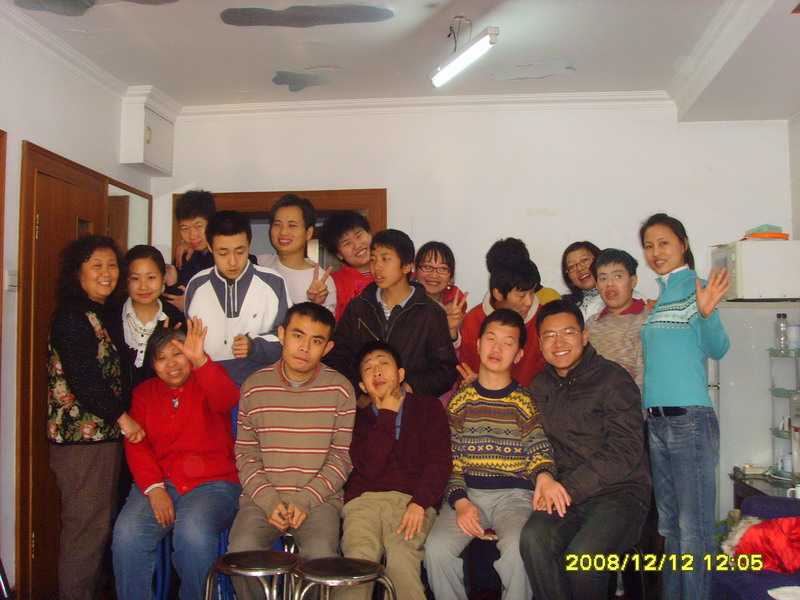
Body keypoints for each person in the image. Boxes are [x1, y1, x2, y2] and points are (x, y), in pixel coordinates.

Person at [520, 299, 651, 600]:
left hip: (619, 493)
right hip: (564, 493)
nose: (559, 343)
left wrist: (569, 488)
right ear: (539, 344)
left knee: (583, 559)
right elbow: (533, 440)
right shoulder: (539, 385)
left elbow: (625, 449)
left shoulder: (613, 379)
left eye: (568, 332)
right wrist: (542, 475)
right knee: (533, 538)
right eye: (550, 335)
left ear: (584, 336)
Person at [424, 309, 556, 600]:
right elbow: (450, 459)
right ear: (478, 344)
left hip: (514, 497)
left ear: (519, 354)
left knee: (518, 551)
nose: (497, 348)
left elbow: (538, 447)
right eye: (491, 339)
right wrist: (460, 502)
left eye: (508, 343)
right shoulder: (460, 401)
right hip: (468, 494)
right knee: (436, 550)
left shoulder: (524, 401)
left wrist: (545, 476)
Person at [228, 302, 356, 600]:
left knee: (321, 556)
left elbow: (341, 459)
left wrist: (305, 499)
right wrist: (269, 500)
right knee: (241, 552)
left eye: (316, 341)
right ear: (282, 334)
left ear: (328, 348)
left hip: (319, 500)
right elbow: (246, 455)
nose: (304, 348)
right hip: (262, 499)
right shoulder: (255, 387)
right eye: (298, 336)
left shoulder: (340, 390)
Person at [112, 318, 240, 600]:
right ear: (152, 364)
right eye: (161, 358)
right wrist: (154, 488)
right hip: (161, 483)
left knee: (193, 533)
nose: (171, 364)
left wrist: (201, 361)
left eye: (178, 354)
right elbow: (136, 443)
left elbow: (228, 399)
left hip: (214, 484)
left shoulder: (207, 378)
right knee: (127, 534)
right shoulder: (144, 394)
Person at [47, 235, 145, 600]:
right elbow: (85, 379)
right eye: (97, 266)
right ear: (78, 272)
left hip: (102, 440)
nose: (107, 273)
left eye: (112, 265)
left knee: (97, 528)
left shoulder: (101, 312)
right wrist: (124, 418)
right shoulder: (72, 317)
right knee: (84, 531)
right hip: (81, 444)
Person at [639, 213, 730, 600]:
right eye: (648, 246)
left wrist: (706, 314)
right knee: (671, 529)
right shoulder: (663, 295)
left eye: (663, 243)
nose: (655, 252)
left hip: (689, 421)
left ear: (683, 244)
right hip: (657, 422)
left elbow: (718, 348)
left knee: (694, 533)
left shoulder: (697, 288)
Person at [341, 341, 451, 600]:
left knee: (402, 559)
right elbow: (369, 467)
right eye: (368, 368)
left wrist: (420, 503)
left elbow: (440, 462)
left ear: (401, 374)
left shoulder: (428, 407)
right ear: (362, 386)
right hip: (364, 502)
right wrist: (387, 416)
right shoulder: (358, 418)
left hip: (412, 502)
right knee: (358, 560)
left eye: (383, 364)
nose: (377, 371)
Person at [326, 229, 458, 400]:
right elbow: (338, 357)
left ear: (407, 266)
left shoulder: (430, 312)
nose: (377, 267)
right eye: (373, 259)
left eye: (385, 259)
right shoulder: (358, 307)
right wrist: (360, 392)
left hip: (411, 407)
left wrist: (408, 388)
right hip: (365, 406)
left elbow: (445, 370)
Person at [184, 210, 290, 386]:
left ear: (249, 244)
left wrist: (254, 346)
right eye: (223, 253)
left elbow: (287, 341)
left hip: (262, 386)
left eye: (240, 251)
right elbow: (191, 345)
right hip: (209, 385)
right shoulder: (196, 285)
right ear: (210, 247)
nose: (232, 262)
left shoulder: (274, 282)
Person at [458, 238, 559, 388]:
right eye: (521, 295)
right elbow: (466, 372)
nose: (529, 302)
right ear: (498, 294)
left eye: (532, 293)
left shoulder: (545, 319)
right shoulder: (472, 321)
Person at [108, 245, 185, 389]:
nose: (143, 286)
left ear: (163, 278)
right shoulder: (110, 316)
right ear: (126, 281)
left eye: (151, 277)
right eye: (135, 278)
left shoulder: (177, 320)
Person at [258, 193, 337, 313]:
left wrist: (316, 305)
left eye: (292, 225)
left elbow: (326, 323)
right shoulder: (259, 263)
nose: (283, 232)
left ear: (308, 233)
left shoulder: (322, 281)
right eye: (277, 224)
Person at [585, 248, 648, 389]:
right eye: (603, 278)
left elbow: (646, 377)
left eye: (618, 276)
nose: (609, 284)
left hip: (631, 400)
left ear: (633, 281)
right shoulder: (591, 324)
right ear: (597, 285)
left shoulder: (648, 320)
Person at [164, 189, 217, 311]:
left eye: (198, 226)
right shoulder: (184, 256)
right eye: (185, 228)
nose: (192, 235)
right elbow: (173, 300)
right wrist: (172, 283)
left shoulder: (227, 257)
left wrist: (192, 305)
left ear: (212, 223)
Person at [319, 211, 373, 321]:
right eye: (347, 243)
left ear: (370, 234)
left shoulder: (395, 271)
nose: (357, 245)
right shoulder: (331, 283)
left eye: (359, 236)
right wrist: (318, 303)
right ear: (339, 254)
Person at [414, 241, 468, 344]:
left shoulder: (455, 305)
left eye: (442, 269)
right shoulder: (403, 299)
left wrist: (451, 329)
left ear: (451, 276)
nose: (434, 275)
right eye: (427, 267)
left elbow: (455, 350)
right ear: (415, 270)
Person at [561, 241, 603, 320]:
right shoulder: (565, 307)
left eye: (584, 260)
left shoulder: (619, 297)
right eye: (571, 266)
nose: (580, 268)